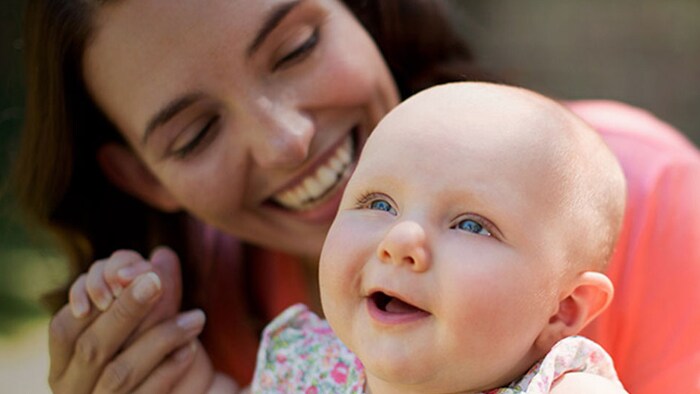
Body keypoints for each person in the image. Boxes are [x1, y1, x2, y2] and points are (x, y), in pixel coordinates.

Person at [12, 0, 700, 393]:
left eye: (295, 48)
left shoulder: (654, 201)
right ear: (140, 178)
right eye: (195, 133)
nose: (286, 140)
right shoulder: (293, 357)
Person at [84, 82, 631, 393]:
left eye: (471, 224)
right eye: (378, 203)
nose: (400, 240)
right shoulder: (310, 372)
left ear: (561, 309)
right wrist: (165, 362)